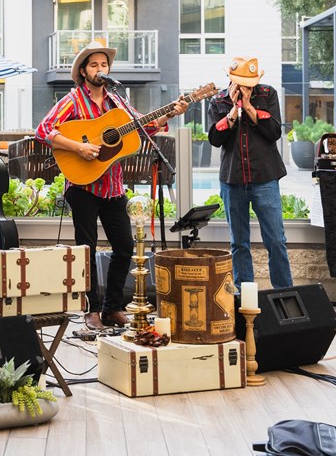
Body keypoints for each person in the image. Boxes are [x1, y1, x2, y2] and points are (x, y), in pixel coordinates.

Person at [35, 39, 187, 329]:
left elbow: (143, 125)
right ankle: (91, 309)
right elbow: (43, 130)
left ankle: (112, 308)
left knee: (125, 246)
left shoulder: (117, 101)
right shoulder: (72, 100)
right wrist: (78, 147)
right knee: (87, 249)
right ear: (83, 71)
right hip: (82, 186)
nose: (100, 69)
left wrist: (169, 113)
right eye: (94, 65)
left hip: (112, 186)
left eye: (104, 64)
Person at [207, 57, 293, 289]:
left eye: (249, 84)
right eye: (241, 83)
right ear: (231, 80)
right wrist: (234, 111)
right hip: (232, 180)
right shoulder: (218, 100)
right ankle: (244, 298)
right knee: (239, 243)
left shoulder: (268, 94)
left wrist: (249, 107)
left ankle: (285, 295)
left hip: (265, 178)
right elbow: (215, 139)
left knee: (276, 241)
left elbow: (274, 132)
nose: (245, 88)